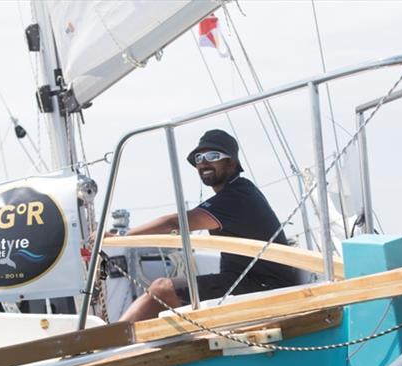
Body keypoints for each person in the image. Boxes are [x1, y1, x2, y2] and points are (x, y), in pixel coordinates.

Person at [119, 129, 298, 322]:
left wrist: (123, 237)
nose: (204, 162)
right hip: (243, 281)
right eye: (199, 157)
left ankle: (109, 343)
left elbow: (176, 223)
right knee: (168, 292)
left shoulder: (237, 197)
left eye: (213, 156)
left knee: (162, 289)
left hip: (265, 287)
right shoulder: (235, 193)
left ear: (231, 162)